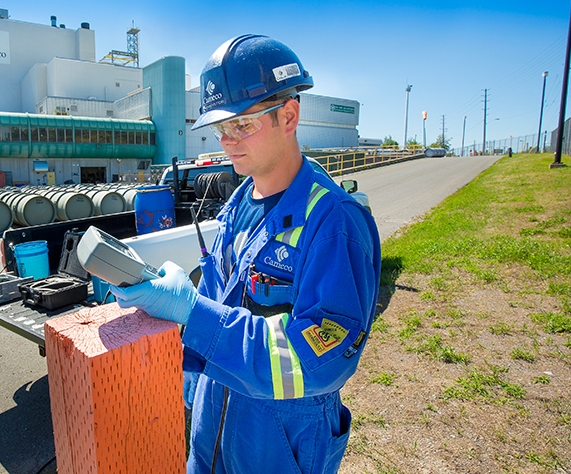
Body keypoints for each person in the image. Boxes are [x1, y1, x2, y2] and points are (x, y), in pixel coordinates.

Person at [110, 35, 381, 473]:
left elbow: (317, 361)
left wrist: (192, 312)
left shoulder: (334, 223)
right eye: (221, 129)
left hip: (277, 448)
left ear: (289, 116)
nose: (228, 142)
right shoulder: (237, 205)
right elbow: (217, 300)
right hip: (212, 436)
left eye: (243, 125)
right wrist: (187, 376)